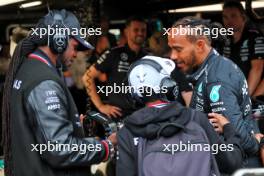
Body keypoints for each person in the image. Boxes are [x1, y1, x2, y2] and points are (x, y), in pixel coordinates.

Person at [2, 9, 116, 176]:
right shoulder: (44, 82)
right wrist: (105, 147)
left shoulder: (27, 68)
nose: (76, 54)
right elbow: (59, 149)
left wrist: (72, 125)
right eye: (75, 47)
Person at [117, 56, 244, 175]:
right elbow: (231, 163)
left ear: (133, 94)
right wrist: (229, 129)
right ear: (168, 86)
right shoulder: (195, 119)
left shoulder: (127, 132)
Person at [167, 16, 262, 167]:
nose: (172, 56)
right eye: (171, 48)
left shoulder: (216, 80)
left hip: (237, 168)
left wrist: (256, 143)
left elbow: (238, 138)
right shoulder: (212, 68)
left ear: (199, 45)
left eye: (178, 49)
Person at [82, 16, 148, 118]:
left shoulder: (148, 57)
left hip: (142, 115)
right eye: (136, 30)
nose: (140, 33)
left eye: (143, 30)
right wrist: (100, 106)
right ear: (126, 32)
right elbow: (87, 77)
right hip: (118, 116)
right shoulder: (114, 53)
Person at [222, 0, 264, 96]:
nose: (229, 21)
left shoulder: (255, 36)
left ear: (243, 17)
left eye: (233, 16)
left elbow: (257, 68)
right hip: (233, 94)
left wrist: (245, 100)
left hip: (255, 96)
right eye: (225, 17)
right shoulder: (225, 40)